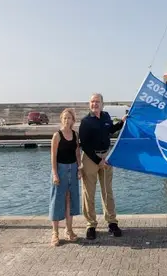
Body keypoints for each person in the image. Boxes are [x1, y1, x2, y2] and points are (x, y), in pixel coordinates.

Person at [79, 93, 126, 240]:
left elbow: (110, 130)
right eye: (92, 102)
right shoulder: (85, 122)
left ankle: (112, 222)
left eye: (97, 101)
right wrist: (97, 160)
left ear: (102, 103)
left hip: (106, 157)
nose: (95, 104)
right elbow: (84, 145)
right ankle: (91, 225)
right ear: (89, 104)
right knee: (89, 193)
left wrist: (122, 123)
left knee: (108, 192)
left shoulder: (106, 116)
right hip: (90, 159)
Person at [48, 108, 82, 246]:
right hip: (60, 169)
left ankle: (69, 230)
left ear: (73, 120)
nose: (67, 120)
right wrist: (55, 173)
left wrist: (79, 169)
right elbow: (53, 156)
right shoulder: (57, 135)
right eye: (65, 118)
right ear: (61, 119)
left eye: (70, 118)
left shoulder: (75, 134)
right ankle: (55, 233)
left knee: (70, 200)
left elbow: (77, 153)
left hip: (73, 168)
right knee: (57, 200)